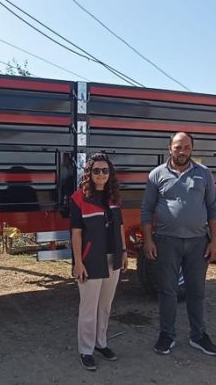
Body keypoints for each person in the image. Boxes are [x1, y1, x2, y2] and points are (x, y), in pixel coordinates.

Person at [140, 132, 216, 357]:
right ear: (170, 148)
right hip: (167, 242)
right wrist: (148, 240)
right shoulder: (156, 175)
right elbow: (146, 210)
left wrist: (215, 240)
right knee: (167, 291)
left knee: (196, 291)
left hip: (198, 243)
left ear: (192, 149)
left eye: (186, 147)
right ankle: (167, 335)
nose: (182, 151)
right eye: (178, 147)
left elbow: (214, 208)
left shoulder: (203, 174)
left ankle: (199, 336)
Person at [70, 152, 128, 371]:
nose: (101, 174)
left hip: (112, 258)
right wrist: (78, 262)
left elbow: (120, 227)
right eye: (96, 171)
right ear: (89, 173)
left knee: (105, 306)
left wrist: (123, 252)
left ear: (109, 173)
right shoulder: (78, 199)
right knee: (88, 308)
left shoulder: (114, 198)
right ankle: (86, 350)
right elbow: (76, 233)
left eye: (105, 170)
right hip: (90, 260)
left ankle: (101, 343)